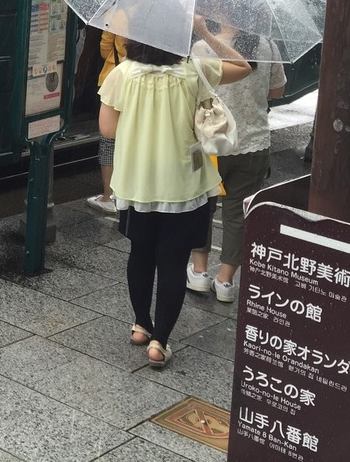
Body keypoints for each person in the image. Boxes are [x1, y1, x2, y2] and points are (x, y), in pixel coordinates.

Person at [99, 20, 250, 368]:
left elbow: (108, 129)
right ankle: (160, 342)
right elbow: (243, 67)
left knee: (140, 253)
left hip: (137, 183)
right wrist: (207, 33)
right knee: (172, 261)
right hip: (184, 184)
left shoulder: (123, 74)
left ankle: (141, 325)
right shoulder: (195, 70)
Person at [187, 27, 286, 302]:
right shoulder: (267, 45)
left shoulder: (202, 48)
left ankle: (199, 271)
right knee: (237, 215)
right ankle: (226, 281)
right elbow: (278, 90)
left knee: (201, 207)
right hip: (253, 144)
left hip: (211, 144)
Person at [87, 27, 128, 215]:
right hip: (141, 81)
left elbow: (104, 50)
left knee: (109, 140)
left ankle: (108, 196)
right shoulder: (158, 14)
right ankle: (128, 191)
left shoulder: (117, 15)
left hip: (114, 77)